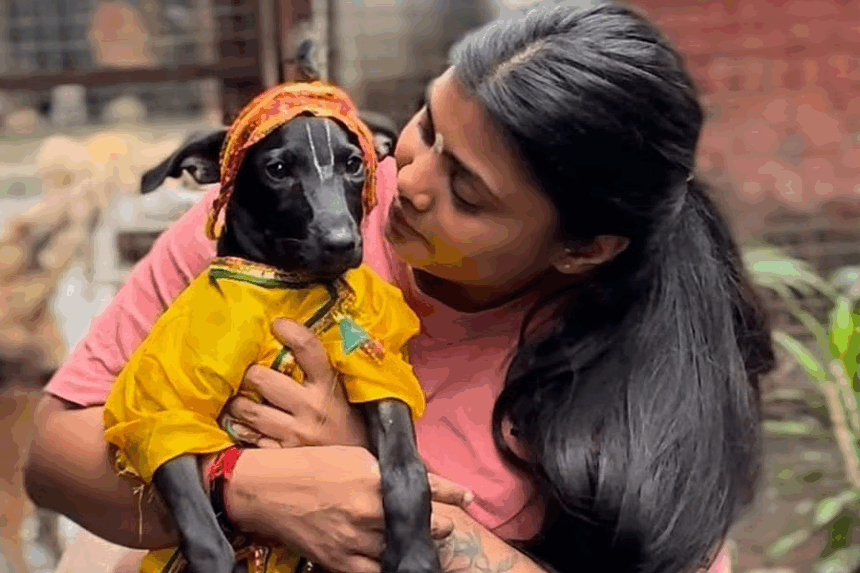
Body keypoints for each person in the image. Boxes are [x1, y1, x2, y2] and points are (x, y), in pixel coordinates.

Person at [24, 2, 773, 573]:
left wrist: (379, 480)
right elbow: (56, 453)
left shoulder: (653, 371)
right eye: (425, 124)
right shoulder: (275, 219)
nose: (402, 181)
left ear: (582, 248)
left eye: (468, 192)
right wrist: (245, 484)